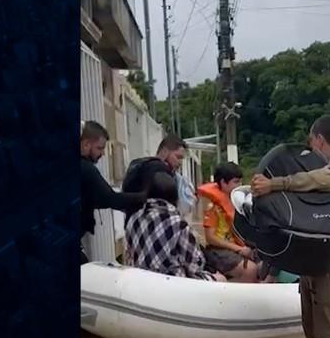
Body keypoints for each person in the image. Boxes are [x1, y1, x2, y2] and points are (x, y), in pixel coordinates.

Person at [251, 115, 330, 338]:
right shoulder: (314, 165)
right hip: (309, 256)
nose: (310, 146)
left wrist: (276, 183)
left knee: (328, 337)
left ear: (320, 140)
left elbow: (321, 180)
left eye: (311, 141)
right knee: (311, 331)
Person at [125, 172, 226, 281]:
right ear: (174, 195)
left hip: (142, 279)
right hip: (173, 283)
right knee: (221, 279)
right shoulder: (178, 223)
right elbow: (195, 264)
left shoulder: (133, 218)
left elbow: (130, 255)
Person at [80, 120, 145, 264]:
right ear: (85, 144)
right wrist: (144, 197)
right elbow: (110, 198)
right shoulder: (85, 169)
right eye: (99, 148)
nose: (103, 153)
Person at [199, 162, 259, 283]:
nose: (240, 186)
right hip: (217, 250)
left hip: (239, 245)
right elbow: (210, 238)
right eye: (236, 182)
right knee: (251, 270)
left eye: (241, 182)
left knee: (268, 261)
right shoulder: (213, 207)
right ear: (223, 183)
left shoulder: (239, 202)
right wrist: (238, 249)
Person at [121, 135, 191, 220]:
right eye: (178, 157)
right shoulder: (161, 171)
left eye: (182, 159)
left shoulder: (137, 165)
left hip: (133, 225)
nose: (180, 163)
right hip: (156, 225)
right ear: (164, 152)